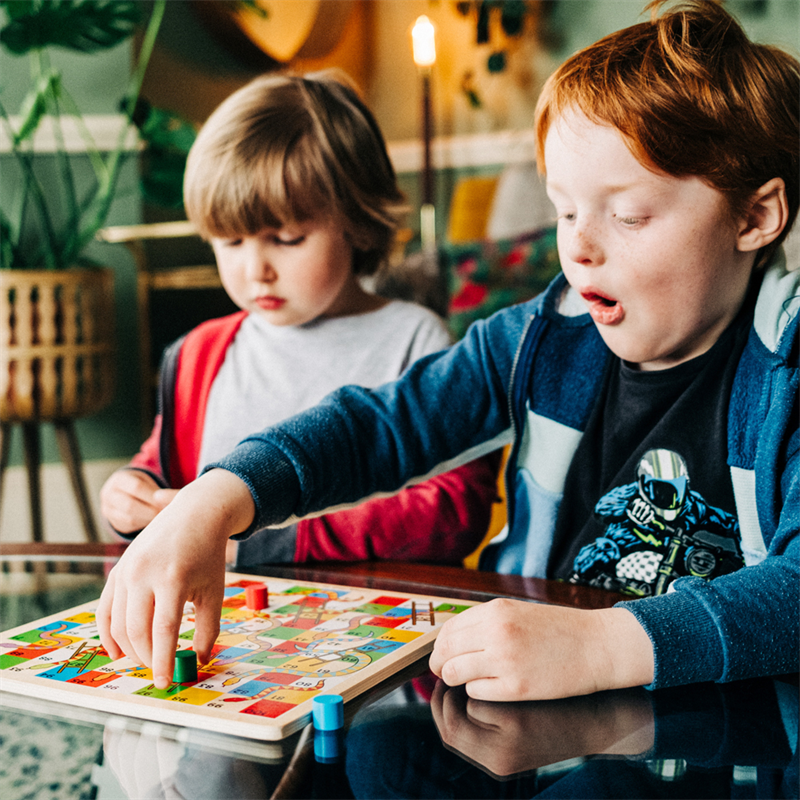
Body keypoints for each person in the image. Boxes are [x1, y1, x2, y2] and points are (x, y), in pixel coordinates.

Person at [97, 0, 800, 698]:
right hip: (537, 724)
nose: (579, 248)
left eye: (626, 214)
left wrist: (603, 646)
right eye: (564, 211)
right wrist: (217, 499)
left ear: (755, 215)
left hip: (727, 728)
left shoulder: (789, 367)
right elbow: (378, 426)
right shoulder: (540, 338)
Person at [99, 71, 500, 567]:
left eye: (286, 239)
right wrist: (135, 491)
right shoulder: (200, 353)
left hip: (380, 615)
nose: (256, 270)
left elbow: (454, 512)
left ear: (356, 221)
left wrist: (268, 545)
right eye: (230, 241)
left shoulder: (417, 340)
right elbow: (166, 466)